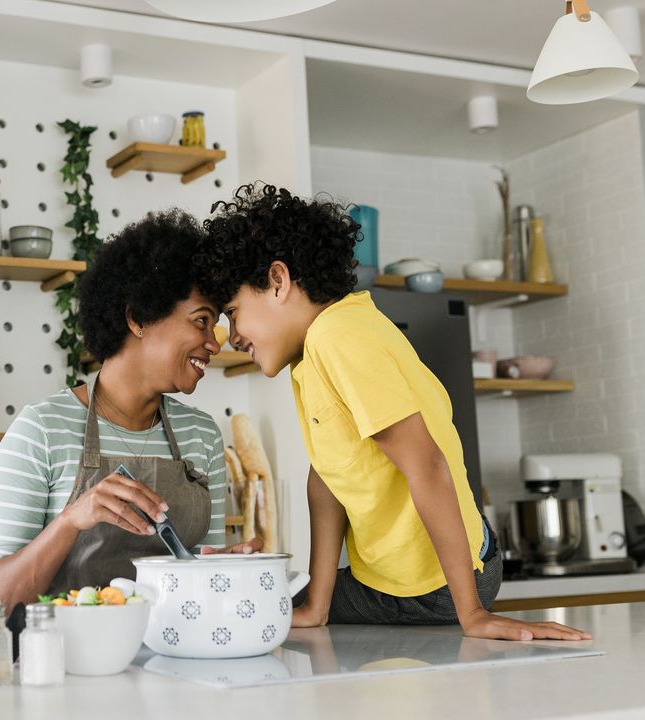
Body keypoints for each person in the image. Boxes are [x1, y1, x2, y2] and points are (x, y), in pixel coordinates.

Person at [193, 183, 590, 641]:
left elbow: (426, 464)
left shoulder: (338, 336)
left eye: (232, 312)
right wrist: (316, 605)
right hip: (388, 581)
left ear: (278, 281)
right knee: (278, 606)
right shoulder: (311, 356)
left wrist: (473, 614)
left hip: (434, 586)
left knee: (253, 611)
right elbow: (326, 479)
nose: (231, 335)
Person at [0, 210, 228, 607]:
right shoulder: (41, 431)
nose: (214, 344)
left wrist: (233, 569)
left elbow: (206, 576)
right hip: (71, 662)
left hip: (176, 660)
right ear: (138, 318)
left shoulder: (202, 435)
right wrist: (71, 520)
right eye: (202, 322)